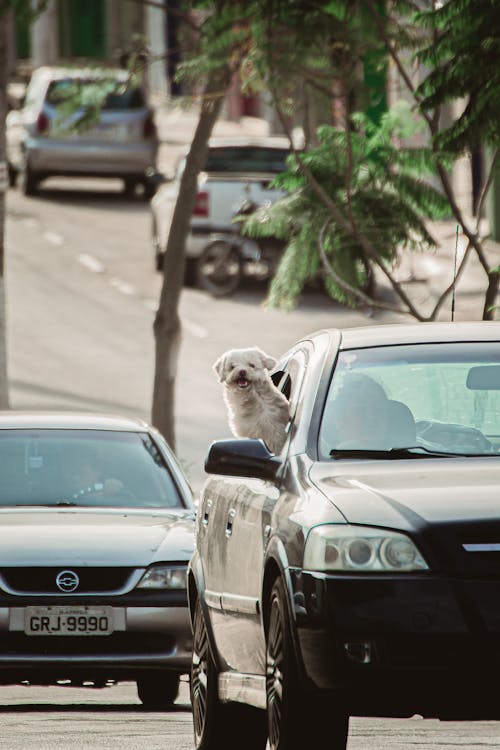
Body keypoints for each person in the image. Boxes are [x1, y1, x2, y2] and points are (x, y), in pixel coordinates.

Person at [330, 373, 391, 450]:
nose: (372, 417)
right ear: (339, 418)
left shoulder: (406, 460)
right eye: (362, 409)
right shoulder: (316, 459)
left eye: (379, 409)